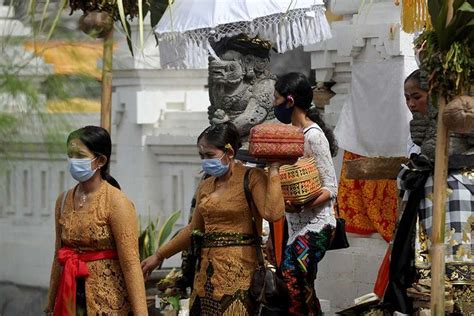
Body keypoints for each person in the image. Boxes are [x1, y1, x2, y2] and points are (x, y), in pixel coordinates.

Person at [141, 121, 286, 315]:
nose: (205, 161)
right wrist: (159, 255)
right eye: (202, 156)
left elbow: (273, 214)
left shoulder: (252, 177)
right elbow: (193, 228)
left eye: (210, 155)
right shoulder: (206, 185)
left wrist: (274, 170)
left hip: (239, 273)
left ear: (230, 153)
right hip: (205, 275)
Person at [44, 126, 147, 316]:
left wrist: (141, 313)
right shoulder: (64, 200)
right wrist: (50, 304)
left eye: (80, 155)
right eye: (70, 154)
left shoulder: (117, 202)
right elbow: (58, 255)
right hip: (70, 295)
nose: (73, 161)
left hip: (107, 300)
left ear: (100, 160)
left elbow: (131, 263)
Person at [273, 72, 338, 315]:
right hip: (295, 225)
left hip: (318, 224)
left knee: (293, 272)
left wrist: (302, 205)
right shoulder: (290, 134)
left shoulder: (314, 136)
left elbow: (331, 188)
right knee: (300, 284)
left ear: (290, 101)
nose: (273, 104)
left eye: (276, 98)